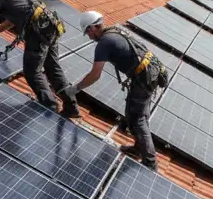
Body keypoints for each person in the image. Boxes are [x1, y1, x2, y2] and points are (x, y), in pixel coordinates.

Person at [64, 11, 167, 171]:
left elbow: (95, 74)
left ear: (92, 28)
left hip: (144, 78)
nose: (89, 36)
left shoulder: (104, 43)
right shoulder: (115, 31)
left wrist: (76, 88)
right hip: (148, 74)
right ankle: (139, 149)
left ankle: (150, 163)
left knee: (138, 119)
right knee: (133, 114)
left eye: (88, 32)